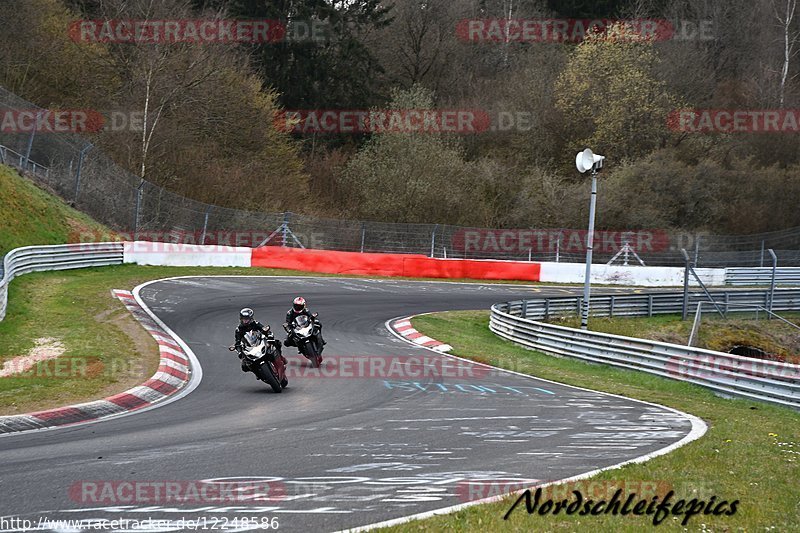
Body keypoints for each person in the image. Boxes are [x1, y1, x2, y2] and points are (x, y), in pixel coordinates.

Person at [234, 307, 287, 374]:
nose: (245, 321)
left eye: (247, 319)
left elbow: (264, 329)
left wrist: (269, 335)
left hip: (258, 342)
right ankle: (257, 372)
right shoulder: (238, 329)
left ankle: (281, 358)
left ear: (251, 318)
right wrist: (239, 351)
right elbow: (237, 342)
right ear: (241, 319)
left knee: (276, 343)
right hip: (249, 348)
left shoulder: (255, 323)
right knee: (244, 366)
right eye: (244, 319)